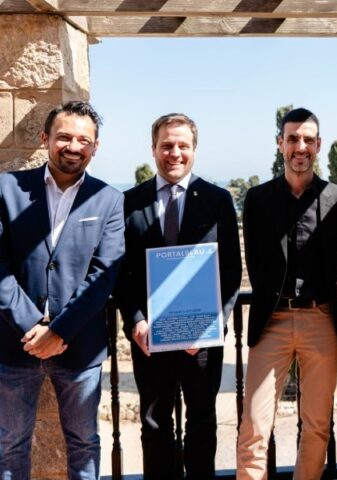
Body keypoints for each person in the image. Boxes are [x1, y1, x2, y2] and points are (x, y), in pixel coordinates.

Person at [0, 101, 125, 480]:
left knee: (85, 443)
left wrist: (59, 331)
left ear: (95, 147)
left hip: (79, 345)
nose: (73, 146)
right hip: (13, 344)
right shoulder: (7, 188)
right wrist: (33, 327)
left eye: (83, 140)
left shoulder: (109, 200)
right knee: (10, 445)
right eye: (64, 137)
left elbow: (104, 275)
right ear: (45, 138)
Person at [114, 113, 242, 479]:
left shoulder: (218, 200)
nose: (174, 153)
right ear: (153, 148)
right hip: (149, 338)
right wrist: (136, 321)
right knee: (154, 424)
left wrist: (211, 325)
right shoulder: (128, 202)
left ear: (194, 150)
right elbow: (120, 271)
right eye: (167, 145)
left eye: (182, 145)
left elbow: (230, 271)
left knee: (202, 422)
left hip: (201, 341)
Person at [236, 107, 337, 479]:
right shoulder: (257, 199)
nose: (300, 147)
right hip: (271, 320)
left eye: (307, 140)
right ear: (280, 144)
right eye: (292, 139)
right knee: (254, 427)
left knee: (317, 426)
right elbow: (255, 262)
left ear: (318, 145)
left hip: (321, 319)